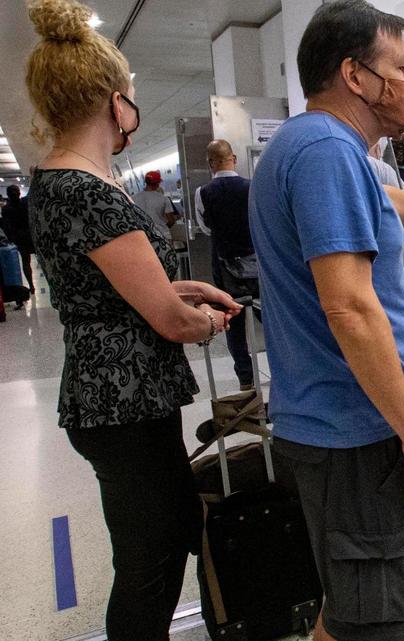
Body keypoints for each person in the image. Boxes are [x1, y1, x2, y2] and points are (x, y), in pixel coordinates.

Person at [247, 2, 404, 639]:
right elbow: (350, 307)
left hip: (326, 421)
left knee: (346, 607)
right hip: (353, 430)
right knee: (376, 623)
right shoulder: (330, 150)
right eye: (400, 67)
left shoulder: (313, 145)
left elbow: (382, 198)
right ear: (355, 76)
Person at [22, 2, 242, 639]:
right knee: (150, 563)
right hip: (121, 400)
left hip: (117, 397)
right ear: (113, 102)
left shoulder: (72, 180)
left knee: (166, 538)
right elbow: (168, 321)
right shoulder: (84, 189)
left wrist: (185, 288)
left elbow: (116, 287)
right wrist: (198, 321)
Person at [197, 139, 259, 390]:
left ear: (210, 163)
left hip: (224, 266)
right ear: (233, 158)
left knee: (232, 321)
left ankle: (246, 379)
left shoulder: (202, 192)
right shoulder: (252, 187)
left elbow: (205, 227)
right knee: (270, 318)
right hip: (256, 264)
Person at [1, 184, 36, 297]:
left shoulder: (6, 209)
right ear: (19, 192)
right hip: (32, 235)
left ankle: (31, 286)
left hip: (20, 238)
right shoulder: (25, 204)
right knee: (41, 259)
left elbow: (6, 226)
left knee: (26, 262)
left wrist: (12, 238)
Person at [132, 170, 175, 241]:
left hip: (143, 238)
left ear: (145, 182)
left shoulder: (133, 198)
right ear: (158, 183)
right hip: (163, 235)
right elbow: (171, 220)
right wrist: (162, 227)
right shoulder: (163, 199)